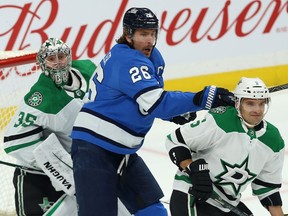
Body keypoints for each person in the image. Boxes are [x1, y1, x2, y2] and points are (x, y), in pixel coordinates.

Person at [71, 7, 235, 216]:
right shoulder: (128, 60)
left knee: (152, 210)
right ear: (128, 34)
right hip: (93, 149)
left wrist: (174, 113)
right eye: (143, 34)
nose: (149, 40)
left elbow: (146, 101)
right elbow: (156, 102)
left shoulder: (151, 57)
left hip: (122, 150)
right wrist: (202, 98)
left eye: (152, 34)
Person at [165, 77, 285, 216]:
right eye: (250, 104)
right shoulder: (221, 120)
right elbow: (175, 141)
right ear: (237, 103)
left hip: (228, 204)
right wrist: (193, 170)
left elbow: (267, 188)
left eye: (261, 104)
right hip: (193, 194)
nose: (257, 110)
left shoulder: (274, 140)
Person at [3, 38, 96, 215]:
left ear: (69, 57)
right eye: (51, 59)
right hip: (37, 179)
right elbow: (13, 142)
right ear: (42, 63)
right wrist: (61, 168)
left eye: (61, 56)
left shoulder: (88, 70)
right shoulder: (39, 99)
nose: (57, 63)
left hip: (82, 169)